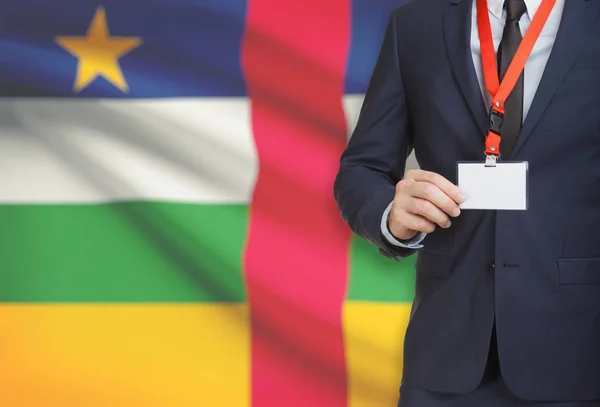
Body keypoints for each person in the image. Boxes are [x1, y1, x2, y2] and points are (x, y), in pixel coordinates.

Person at [334, 0, 600, 406]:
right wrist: (390, 214)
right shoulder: (415, 25)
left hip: (579, 352)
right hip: (445, 357)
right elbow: (361, 168)